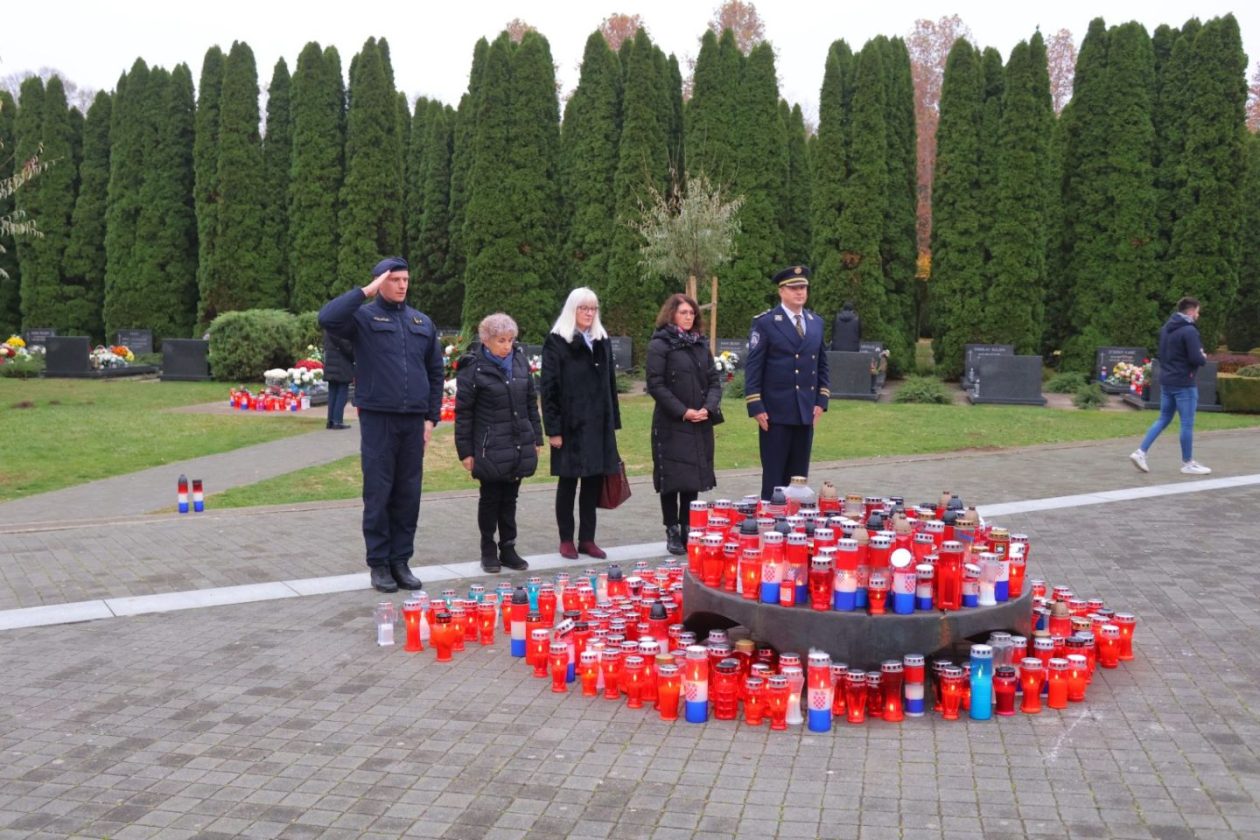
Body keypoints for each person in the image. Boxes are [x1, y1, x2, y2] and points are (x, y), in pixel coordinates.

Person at [319, 256, 444, 593]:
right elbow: (327, 317)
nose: (402, 285)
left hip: (413, 421)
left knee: (408, 494)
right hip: (378, 418)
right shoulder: (362, 317)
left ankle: (401, 561)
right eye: (394, 279)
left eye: (405, 279)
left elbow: (435, 372)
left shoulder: (421, 321)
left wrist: (431, 418)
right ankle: (379, 564)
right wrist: (365, 292)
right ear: (379, 283)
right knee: (379, 492)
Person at [455, 313, 543, 573]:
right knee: (491, 498)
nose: (507, 345)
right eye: (501, 340)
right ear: (487, 340)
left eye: (510, 339)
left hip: (517, 441)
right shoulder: (474, 367)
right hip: (489, 445)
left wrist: (536, 436)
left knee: (510, 499)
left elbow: (530, 402)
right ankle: (488, 549)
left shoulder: (519, 361)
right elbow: (464, 413)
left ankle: (508, 546)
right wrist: (466, 452)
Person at [541, 288, 622, 560]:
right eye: (583, 308)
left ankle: (587, 538)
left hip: (598, 425)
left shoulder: (601, 340)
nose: (589, 313)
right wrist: (553, 429)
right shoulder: (556, 342)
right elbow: (549, 387)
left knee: (592, 483)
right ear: (572, 309)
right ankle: (566, 539)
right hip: (570, 424)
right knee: (568, 482)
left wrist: (613, 424)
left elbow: (610, 385)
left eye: (593, 309)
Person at [744, 265, 831, 501]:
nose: (799, 292)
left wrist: (821, 401)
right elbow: (754, 366)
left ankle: (794, 530)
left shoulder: (816, 323)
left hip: (805, 411)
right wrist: (756, 405)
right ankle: (771, 526)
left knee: (799, 479)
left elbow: (822, 364)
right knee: (774, 479)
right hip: (775, 412)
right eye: (793, 288)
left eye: (803, 287)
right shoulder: (766, 322)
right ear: (781, 291)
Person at [646, 294, 723, 555]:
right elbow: (656, 384)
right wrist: (683, 411)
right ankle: (672, 529)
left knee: (692, 478)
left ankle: (689, 528)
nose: (689, 317)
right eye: (683, 313)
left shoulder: (701, 344)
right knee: (672, 478)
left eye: (692, 313)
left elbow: (714, 380)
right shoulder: (660, 344)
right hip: (671, 423)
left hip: (699, 422)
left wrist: (707, 408)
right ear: (671, 314)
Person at [1130, 297, 1211, 475]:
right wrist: (1202, 356)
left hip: (1167, 380)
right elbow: (1196, 358)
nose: (1198, 315)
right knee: (1187, 423)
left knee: (1163, 418)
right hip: (1184, 383)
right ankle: (1188, 463)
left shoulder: (1166, 328)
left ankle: (1140, 452)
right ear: (1191, 311)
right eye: (1197, 311)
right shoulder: (1189, 331)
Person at [322, 329, 354, 430]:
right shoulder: (341, 328)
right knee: (342, 393)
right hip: (342, 364)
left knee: (332, 393)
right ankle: (337, 421)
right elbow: (347, 347)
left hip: (331, 363)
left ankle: (330, 421)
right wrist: (354, 356)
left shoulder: (327, 327)